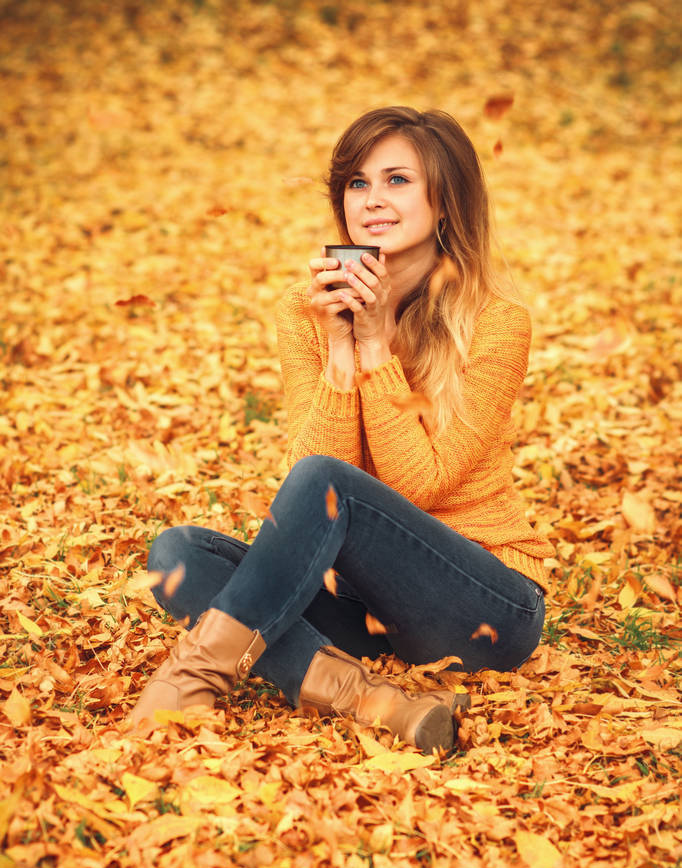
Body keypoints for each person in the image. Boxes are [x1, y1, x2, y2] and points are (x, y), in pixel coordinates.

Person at [128, 106, 553, 752]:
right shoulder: (305, 312)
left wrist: (379, 341)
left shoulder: (496, 322)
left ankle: (191, 677)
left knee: (329, 485)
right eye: (357, 183)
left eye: (396, 181)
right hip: (366, 607)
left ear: (445, 204)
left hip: (484, 607)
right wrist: (340, 349)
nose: (372, 200)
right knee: (177, 558)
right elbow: (311, 481)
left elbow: (421, 483)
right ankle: (374, 699)